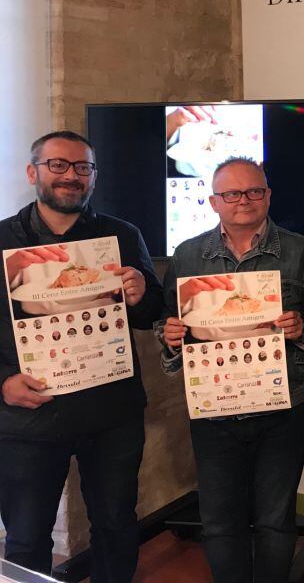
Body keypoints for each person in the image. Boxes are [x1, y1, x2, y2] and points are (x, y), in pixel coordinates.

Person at [0, 131, 163, 580]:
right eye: (58, 165)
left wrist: (141, 293)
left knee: (115, 525)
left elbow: (152, 314)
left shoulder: (121, 234)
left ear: (93, 177)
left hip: (110, 411)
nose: (71, 176)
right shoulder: (1, 240)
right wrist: (2, 384)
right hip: (28, 416)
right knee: (27, 537)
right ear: (33, 172)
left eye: (82, 168)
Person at [157, 157, 304, 583]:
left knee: (276, 520)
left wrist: (302, 327)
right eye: (232, 193)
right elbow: (166, 322)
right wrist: (171, 335)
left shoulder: (303, 251)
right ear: (213, 201)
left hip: (281, 408)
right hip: (213, 410)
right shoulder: (188, 255)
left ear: (268, 195)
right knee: (220, 520)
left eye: (254, 191)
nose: (243, 200)